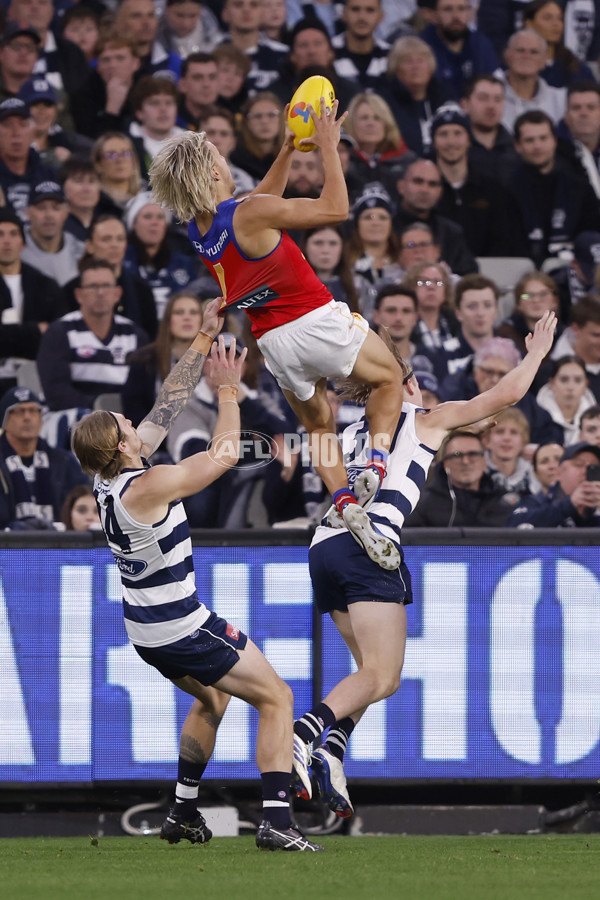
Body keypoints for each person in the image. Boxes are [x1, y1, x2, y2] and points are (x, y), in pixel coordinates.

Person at [71, 306, 323, 852]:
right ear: (121, 447)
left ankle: (182, 811)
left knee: (212, 699)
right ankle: (277, 821)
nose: (135, 424)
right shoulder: (149, 485)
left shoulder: (108, 480)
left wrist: (206, 335)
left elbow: (166, 402)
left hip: (145, 631)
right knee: (277, 698)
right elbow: (226, 454)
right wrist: (229, 391)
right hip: (182, 625)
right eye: (125, 427)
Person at [291, 311, 557, 815]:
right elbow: (503, 397)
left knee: (369, 670)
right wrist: (538, 352)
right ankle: (302, 738)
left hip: (325, 544)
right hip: (369, 545)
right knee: (384, 676)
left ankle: (332, 749)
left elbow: (482, 416)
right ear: (403, 383)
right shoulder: (423, 419)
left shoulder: (349, 433)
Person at [150, 97, 406, 570]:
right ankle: (375, 463)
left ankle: (346, 502)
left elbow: (256, 205)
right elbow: (336, 210)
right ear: (209, 174)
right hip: (315, 318)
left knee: (316, 428)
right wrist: (328, 147)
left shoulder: (201, 228)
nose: (225, 158)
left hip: (274, 344)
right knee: (391, 376)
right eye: (218, 156)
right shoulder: (250, 212)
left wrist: (289, 149)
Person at [37, 256, 149, 415]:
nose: (100, 293)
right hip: (72, 420)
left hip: (123, 419)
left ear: (117, 293)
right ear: (79, 295)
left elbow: (142, 391)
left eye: (106, 286)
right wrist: (101, 409)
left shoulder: (135, 335)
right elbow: (56, 393)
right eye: (93, 286)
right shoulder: (59, 332)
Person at [508, 110, 600, 266]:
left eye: (543, 138)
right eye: (529, 140)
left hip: (574, 272)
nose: (537, 146)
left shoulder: (578, 186)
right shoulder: (506, 189)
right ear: (518, 146)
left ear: (555, 141)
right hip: (524, 282)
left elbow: (593, 230)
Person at [429, 102, 518, 257]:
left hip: (486, 274)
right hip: (435, 278)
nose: (451, 142)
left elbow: (505, 241)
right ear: (433, 142)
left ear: (469, 140)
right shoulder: (424, 189)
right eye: (443, 134)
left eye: (458, 133)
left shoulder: (492, 190)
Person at [0, 385, 88, 530]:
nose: (27, 417)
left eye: (33, 411)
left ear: (41, 419)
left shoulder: (63, 461)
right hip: (7, 545)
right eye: (19, 411)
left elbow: (84, 498)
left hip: (58, 543)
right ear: (4, 419)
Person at [0, 206, 66, 396]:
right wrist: (35, 331)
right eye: (1, 234)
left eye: (13, 234)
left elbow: (56, 337)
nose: (6, 241)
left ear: (23, 242)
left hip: (35, 379)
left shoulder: (46, 286)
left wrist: (9, 335)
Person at [393, 158, 477, 276]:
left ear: (440, 192)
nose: (425, 190)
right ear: (401, 186)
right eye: (418, 181)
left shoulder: (451, 233)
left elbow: (468, 277)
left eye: (432, 184)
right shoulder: (385, 228)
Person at [122, 192, 197, 320]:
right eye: (147, 217)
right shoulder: (121, 262)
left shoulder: (185, 264)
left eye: (160, 217)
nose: (154, 223)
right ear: (133, 224)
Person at [420, 0, 498, 101]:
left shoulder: (481, 45)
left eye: (461, 9)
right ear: (434, 15)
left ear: (469, 12)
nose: (456, 16)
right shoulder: (423, 47)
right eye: (448, 9)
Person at [342, 91, 416, 198]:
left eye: (377, 118)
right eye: (364, 118)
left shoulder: (406, 163)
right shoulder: (342, 161)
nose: (370, 123)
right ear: (351, 123)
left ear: (386, 124)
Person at [510, 440, 600, 527]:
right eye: (578, 464)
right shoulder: (535, 503)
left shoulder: (595, 510)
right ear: (559, 472)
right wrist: (570, 504)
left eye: (594, 467)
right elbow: (513, 527)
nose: (586, 471)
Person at [497, 29, 567, 134]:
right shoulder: (489, 97)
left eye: (534, 52)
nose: (526, 57)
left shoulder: (560, 101)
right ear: (507, 55)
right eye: (520, 50)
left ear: (544, 60)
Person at [21, 180, 85, 287]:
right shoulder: (16, 248)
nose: (49, 215)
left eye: (56, 208)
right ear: (27, 213)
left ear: (66, 212)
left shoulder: (80, 251)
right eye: (41, 208)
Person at [461, 74, 520, 187]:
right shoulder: (454, 148)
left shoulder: (516, 148)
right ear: (465, 105)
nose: (491, 106)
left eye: (497, 99)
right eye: (483, 98)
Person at [0, 96, 55, 217]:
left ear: (32, 131)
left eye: (23, 124)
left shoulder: (51, 175)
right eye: (7, 125)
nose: (16, 133)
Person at [524, 0, 596, 88]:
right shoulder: (516, 63)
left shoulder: (577, 68)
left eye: (560, 19)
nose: (556, 24)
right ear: (529, 23)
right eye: (547, 18)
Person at [332, 0, 391, 91]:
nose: (362, 17)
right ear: (343, 13)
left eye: (370, 10)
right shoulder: (327, 52)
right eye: (355, 9)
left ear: (381, 16)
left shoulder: (392, 56)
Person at [536, 354, 596, 444]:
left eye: (578, 380)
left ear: (586, 384)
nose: (570, 387)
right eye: (564, 379)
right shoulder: (535, 416)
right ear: (551, 383)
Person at [483, 406, 534, 506]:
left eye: (514, 432)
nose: (507, 438)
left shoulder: (534, 476)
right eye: (500, 431)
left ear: (524, 441)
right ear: (486, 440)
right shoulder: (474, 473)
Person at [557, 81, 600, 200]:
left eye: (591, 107)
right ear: (566, 117)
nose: (584, 113)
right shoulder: (553, 157)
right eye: (576, 108)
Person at [91, 131, 145, 212]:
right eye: (111, 155)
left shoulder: (149, 195)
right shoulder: (93, 201)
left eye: (125, 153)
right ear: (98, 165)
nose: (120, 160)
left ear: (133, 161)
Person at [371, 283, 419, 359]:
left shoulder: (433, 361)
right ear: (376, 316)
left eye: (406, 311)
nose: (398, 318)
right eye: (391, 310)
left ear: (415, 318)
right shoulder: (358, 360)